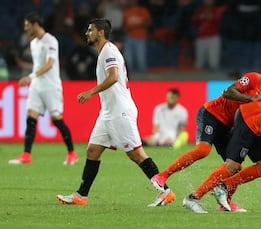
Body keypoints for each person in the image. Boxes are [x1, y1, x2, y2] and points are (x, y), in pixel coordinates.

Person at [56, 18, 175, 207]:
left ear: (100, 32)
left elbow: (112, 77)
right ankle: (81, 195)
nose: (87, 33)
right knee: (93, 150)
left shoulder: (109, 51)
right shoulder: (103, 52)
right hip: (108, 112)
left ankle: (166, 192)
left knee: (136, 154)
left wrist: (90, 92)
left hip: (120, 112)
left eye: (90, 30)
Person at [151, 63, 261, 211]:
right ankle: (162, 177)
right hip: (211, 114)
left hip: (229, 127)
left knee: (235, 167)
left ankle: (225, 202)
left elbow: (257, 120)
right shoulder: (255, 79)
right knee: (203, 150)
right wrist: (251, 99)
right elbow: (228, 92)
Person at [8, 12, 78, 165]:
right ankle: (26, 154)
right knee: (30, 117)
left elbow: (50, 63)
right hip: (37, 86)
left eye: (27, 25)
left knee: (57, 120)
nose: (25, 28)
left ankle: (72, 153)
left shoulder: (50, 40)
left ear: (35, 24)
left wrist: (30, 76)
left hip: (51, 86)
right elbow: (38, 65)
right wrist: (32, 76)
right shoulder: (33, 43)